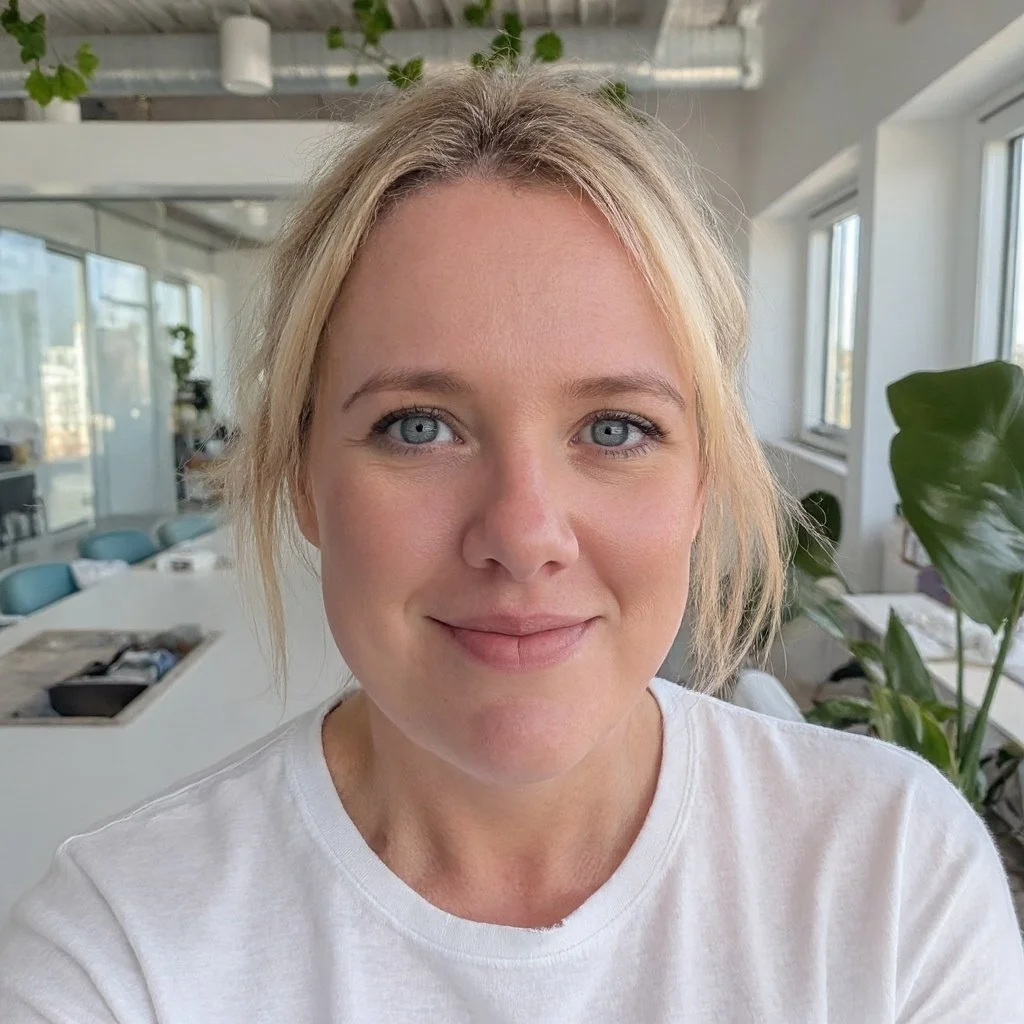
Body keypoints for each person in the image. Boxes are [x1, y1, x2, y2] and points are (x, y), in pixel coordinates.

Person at [1, 68, 1022, 1023]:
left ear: (703, 477)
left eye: (615, 427)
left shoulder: (893, 879)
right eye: (417, 425)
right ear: (304, 477)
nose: (524, 535)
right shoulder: (120, 951)